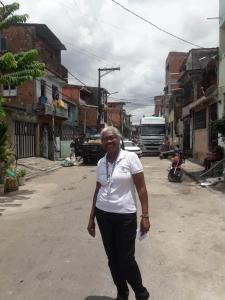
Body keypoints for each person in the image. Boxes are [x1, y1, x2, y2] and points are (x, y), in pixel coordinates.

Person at [87, 126, 150, 300]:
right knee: (112, 259)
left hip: (125, 216)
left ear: (118, 139)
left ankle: (141, 292)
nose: (109, 141)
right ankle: (122, 292)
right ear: (102, 143)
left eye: (112, 138)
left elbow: (142, 188)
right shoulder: (101, 162)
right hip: (103, 215)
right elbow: (97, 189)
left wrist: (145, 216)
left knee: (126, 260)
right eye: (105, 139)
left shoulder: (130, 158)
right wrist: (91, 218)